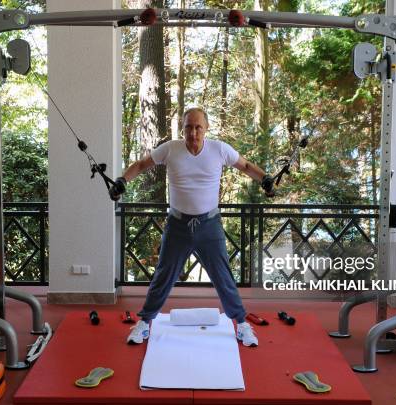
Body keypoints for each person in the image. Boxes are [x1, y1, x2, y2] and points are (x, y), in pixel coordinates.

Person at [109, 107, 275, 347]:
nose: (193, 132)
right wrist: (122, 180)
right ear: (182, 128)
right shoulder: (170, 149)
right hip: (177, 225)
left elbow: (246, 165)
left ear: (206, 128)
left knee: (223, 277)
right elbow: (142, 164)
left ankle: (241, 324)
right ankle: (144, 322)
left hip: (210, 225)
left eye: (198, 127)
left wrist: (266, 180)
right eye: (188, 127)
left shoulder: (219, 149)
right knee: (163, 275)